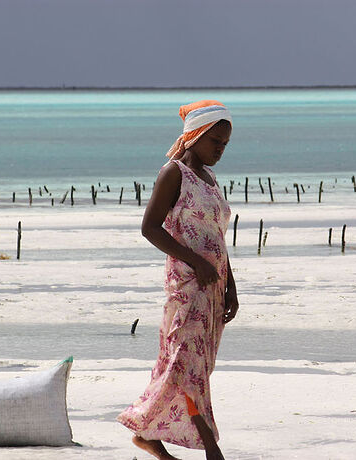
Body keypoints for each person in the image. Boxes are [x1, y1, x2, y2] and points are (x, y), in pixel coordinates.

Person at [117, 100, 239, 460]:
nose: (220, 149)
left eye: (225, 144)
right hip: (187, 289)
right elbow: (150, 228)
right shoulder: (174, 173)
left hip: (211, 290)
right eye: (215, 140)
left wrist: (230, 285)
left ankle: (146, 435)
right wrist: (195, 261)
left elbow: (217, 237)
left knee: (193, 367)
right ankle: (211, 448)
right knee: (186, 366)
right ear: (195, 135)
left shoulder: (211, 180)